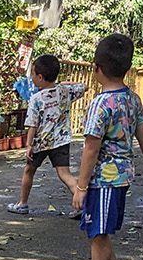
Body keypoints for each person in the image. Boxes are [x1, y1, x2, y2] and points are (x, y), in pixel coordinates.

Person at [62, 32, 143, 260]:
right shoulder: (132, 99)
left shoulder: (100, 104)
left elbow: (91, 149)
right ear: (127, 68)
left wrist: (81, 187)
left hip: (104, 179)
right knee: (101, 228)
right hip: (122, 176)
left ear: (96, 68)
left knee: (97, 232)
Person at [9, 52, 86, 214]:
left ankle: (22, 203)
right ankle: (82, 205)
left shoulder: (36, 99)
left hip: (41, 141)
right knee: (65, 174)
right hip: (61, 140)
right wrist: (64, 83)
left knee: (29, 170)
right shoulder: (65, 91)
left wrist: (29, 144)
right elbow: (83, 87)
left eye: (33, 75)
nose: (32, 78)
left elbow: (32, 124)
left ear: (40, 77)